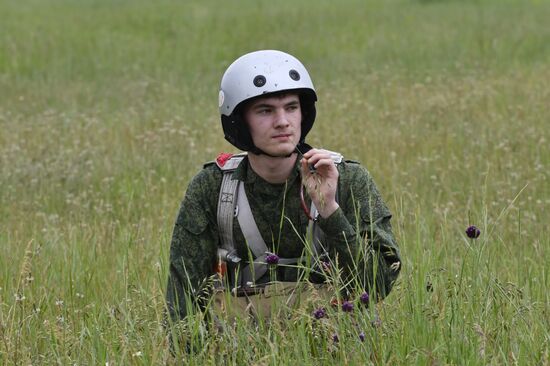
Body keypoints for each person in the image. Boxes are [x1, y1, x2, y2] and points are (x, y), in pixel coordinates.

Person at [165, 50, 401, 323]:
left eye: (291, 107)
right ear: (240, 122)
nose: (282, 122)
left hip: (337, 342)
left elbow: (380, 285)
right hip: (237, 345)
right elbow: (182, 300)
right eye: (265, 110)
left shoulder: (348, 179)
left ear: (304, 114)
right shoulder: (212, 187)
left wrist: (331, 211)